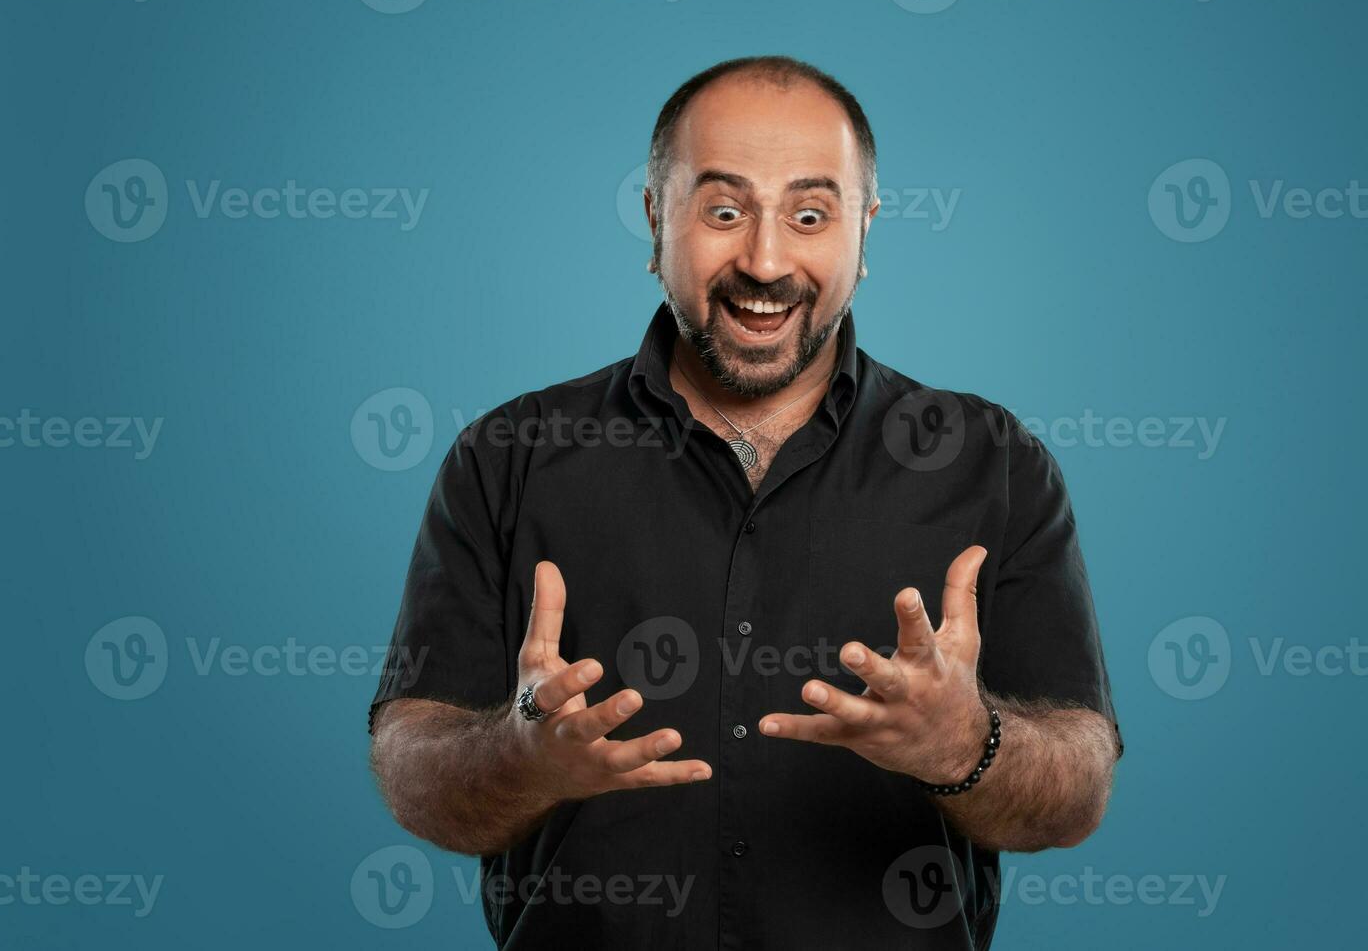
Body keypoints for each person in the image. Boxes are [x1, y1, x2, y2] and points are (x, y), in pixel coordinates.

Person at [369, 55, 1123, 950]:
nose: (766, 261)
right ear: (656, 221)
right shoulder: (506, 457)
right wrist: (522, 759)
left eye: (810, 215)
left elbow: (1076, 791)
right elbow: (411, 764)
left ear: (864, 234)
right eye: (723, 211)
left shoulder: (992, 463)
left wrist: (968, 742)